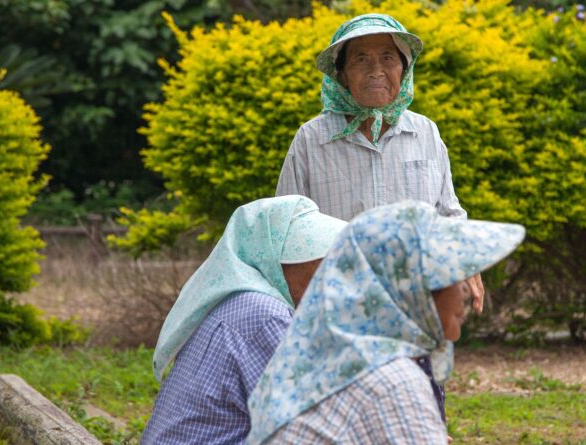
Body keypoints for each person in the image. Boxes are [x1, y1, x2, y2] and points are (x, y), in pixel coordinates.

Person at [246, 200, 525, 444]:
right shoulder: (391, 379)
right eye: (452, 277)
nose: (465, 291)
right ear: (413, 293)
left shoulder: (350, 357)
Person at [275, 13, 486, 312]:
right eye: (361, 59)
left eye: (388, 58)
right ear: (342, 74)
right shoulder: (312, 139)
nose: (376, 71)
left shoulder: (425, 132)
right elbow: (285, 230)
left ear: (404, 68)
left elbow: (448, 214)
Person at [141, 195, 347, 445]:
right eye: (317, 266)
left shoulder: (234, 300)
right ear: (278, 262)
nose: (326, 282)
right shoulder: (265, 314)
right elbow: (313, 419)